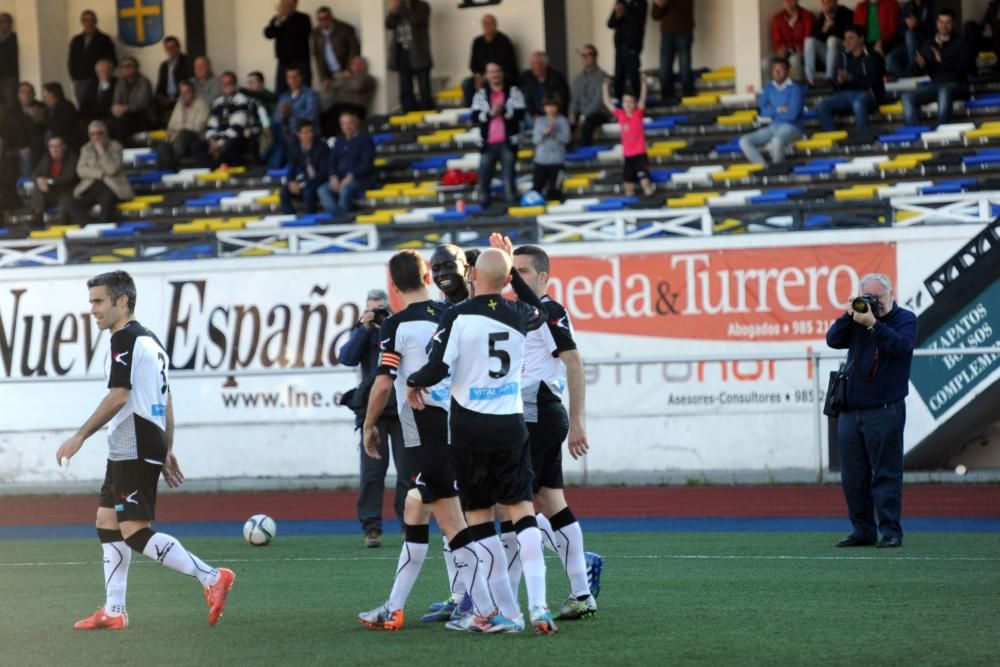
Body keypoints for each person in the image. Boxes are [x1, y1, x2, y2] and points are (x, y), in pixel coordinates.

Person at [55, 270, 235, 630]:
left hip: (133, 441)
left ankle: (212, 576)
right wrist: (167, 448)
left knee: (135, 530)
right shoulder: (149, 340)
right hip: (139, 440)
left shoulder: (124, 338)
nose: (92, 309)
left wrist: (80, 436)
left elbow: (120, 395)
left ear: (122, 301)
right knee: (107, 522)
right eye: (91, 301)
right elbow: (165, 398)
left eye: (99, 301)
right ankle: (114, 610)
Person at [357, 250, 520, 633]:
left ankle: (486, 610)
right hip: (457, 421)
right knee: (416, 510)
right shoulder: (452, 314)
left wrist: (368, 425)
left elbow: (384, 382)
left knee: (453, 523)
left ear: (392, 285)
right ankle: (394, 606)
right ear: (428, 274)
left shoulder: (396, 324)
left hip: (420, 427)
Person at [405, 239, 558, 635]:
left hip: (470, 430)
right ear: (508, 279)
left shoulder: (457, 315)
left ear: (472, 276)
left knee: (479, 523)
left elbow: (436, 368)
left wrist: (412, 382)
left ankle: (505, 614)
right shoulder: (522, 311)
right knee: (523, 513)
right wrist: (514, 282)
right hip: (511, 425)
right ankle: (540, 605)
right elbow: (541, 310)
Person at [509, 244, 599, 620]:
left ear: (543, 277)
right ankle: (581, 588)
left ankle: (504, 603)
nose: (514, 278)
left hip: (536, 414)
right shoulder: (521, 314)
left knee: (512, 504)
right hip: (534, 413)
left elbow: (574, 362)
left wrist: (578, 420)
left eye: (523, 272)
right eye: (511, 272)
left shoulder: (549, 311)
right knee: (550, 502)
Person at [825, 273, 916, 549]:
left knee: (887, 474)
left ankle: (891, 531)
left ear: (890, 295)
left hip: (885, 410)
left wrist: (874, 324)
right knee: (853, 477)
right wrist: (849, 313)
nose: (873, 301)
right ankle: (862, 530)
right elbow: (832, 339)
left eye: (878, 297)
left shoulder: (905, 319)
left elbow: (901, 347)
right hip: (851, 413)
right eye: (869, 296)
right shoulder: (857, 319)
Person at [339, 288, 406, 549]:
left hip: (403, 410)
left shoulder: (400, 327)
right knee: (372, 474)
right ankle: (372, 530)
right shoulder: (363, 332)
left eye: (381, 309)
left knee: (408, 472)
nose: (377, 314)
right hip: (373, 411)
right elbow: (345, 358)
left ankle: (408, 525)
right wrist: (364, 328)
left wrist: (390, 322)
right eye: (372, 309)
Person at [472, 62, 526, 208]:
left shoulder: (514, 91)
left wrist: (503, 112)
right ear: (487, 75)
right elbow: (474, 117)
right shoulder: (481, 94)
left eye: (497, 71)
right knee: (484, 176)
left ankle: (511, 205)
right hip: (487, 142)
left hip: (508, 141)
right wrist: (491, 114)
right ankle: (484, 205)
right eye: (491, 72)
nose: (495, 74)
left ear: (502, 73)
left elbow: (521, 114)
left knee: (509, 177)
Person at [902, 9, 969, 127]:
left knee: (944, 90)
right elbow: (916, 71)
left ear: (953, 24)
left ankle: (941, 128)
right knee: (907, 97)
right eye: (941, 22)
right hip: (936, 85)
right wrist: (920, 66)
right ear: (937, 23)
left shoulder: (961, 42)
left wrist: (942, 60)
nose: (944, 25)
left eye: (947, 22)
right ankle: (914, 131)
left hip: (957, 85)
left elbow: (963, 69)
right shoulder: (929, 43)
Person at [815, 25, 885, 132]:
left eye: (851, 38)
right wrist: (839, 80)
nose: (846, 42)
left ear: (861, 39)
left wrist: (851, 78)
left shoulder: (873, 56)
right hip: (847, 94)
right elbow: (835, 82)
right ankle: (835, 139)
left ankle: (864, 137)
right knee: (821, 106)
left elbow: (873, 81)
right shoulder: (842, 56)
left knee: (858, 104)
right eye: (845, 38)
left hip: (869, 93)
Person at [739, 57, 805, 166]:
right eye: (775, 69)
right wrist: (779, 109)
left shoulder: (795, 88)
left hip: (793, 127)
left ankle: (777, 170)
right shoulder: (769, 87)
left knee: (776, 141)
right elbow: (762, 111)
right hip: (773, 127)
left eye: (781, 69)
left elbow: (793, 115)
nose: (777, 72)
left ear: (788, 71)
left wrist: (771, 111)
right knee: (744, 141)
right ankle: (765, 168)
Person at [64, 120, 133, 224]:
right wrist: (100, 174)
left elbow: (111, 169)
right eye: (92, 134)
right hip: (91, 186)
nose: (96, 136)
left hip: (111, 186)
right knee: (70, 203)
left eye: (99, 133)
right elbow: (80, 170)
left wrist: (102, 152)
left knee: (107, 201)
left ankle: (104, 226)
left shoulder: (116, 146)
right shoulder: (85, 148)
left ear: (105, 133)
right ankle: (89, 225)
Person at [602, 75, 655, 196]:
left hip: (640, 154)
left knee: (645, 182)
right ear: (622, 102)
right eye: (625, 101)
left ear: (635, 103)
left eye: (631, 101)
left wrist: (644, 84)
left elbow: (643, 98)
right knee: (627, 186)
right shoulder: (621, 115)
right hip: (628, 156)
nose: (628, 104)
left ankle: (651, 198)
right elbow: (607, 102)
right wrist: (605, 86)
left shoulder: (638, 113)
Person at [324, 111, 374, 216]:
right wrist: (333, 176)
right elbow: (331, 161)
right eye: (343, 123)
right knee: (322, 189)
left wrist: (351, 176)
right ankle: (338, 218)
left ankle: (344, 220)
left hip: (360, 179)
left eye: (349, 122)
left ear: (356, 123)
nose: (347, 126)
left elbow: (367, 164)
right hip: (340, 178)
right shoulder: (339, 140)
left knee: (345, 190)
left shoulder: (365, 140)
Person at [385, 0, 433, 112]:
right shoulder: (398, 8)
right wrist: (393, 11)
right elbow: (388, 24)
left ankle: (427, 111)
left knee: (424, 87)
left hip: (418, 51)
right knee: (405, 86)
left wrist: (400, 8)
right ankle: (408, 112)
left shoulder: (422, 6)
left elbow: (416, 19)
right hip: (402, 50)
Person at [462, 14, 518, 107]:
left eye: (490, 23)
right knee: (467, 84)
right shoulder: (477, 41)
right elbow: (473, 64)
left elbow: (505, 64)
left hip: (500, 74)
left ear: (495, 25)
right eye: (485, 23)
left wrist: (486, 77)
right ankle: (472, 111)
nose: (487, 26)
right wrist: (478, 77)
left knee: (492, 83)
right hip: (482, 76)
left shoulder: (504, 40)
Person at [271, 65, 320, 168]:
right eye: (289, 77)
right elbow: (276, 119)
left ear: (301, 77)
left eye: (295, 76)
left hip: (305, 133)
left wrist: (292, 111)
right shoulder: (284, 96)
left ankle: (278, 168)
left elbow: (311, 116)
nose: (292, 80)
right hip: (285, 133)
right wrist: (282, 114)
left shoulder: (310, 94)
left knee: (288, 141)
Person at [68, 10, 117, 106]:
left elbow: (112, 60)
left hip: (98, 80)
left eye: (91, 20)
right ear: (81, 22)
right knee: (83, 108)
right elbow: (72, 60)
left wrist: (105, 77)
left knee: (100, 106)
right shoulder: (76, 40)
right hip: (80, 81)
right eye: (85, 20)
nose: (88, 23)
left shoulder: (104, 39)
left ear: (96, 21)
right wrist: (74, 78)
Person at [264, 0, 313, 96]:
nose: (287, 6)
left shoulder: (304, 18)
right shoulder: (278, 19)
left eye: (290, 4)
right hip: (283, 62)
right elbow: (268, 34)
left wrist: (284, 19)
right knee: (282, 92)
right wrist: (280, 19)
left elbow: (300, 33)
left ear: (296, 4)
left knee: (303, 92)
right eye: (285, 4)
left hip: (300, 62)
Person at [281, 121, 329, 214]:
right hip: (306, 181)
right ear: (299, 134)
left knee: (308, 191)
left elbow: (323, 172)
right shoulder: (295, 148)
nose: (309, 135)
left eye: (311, 131)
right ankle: (290, 217)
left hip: (320, 181)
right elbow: (291, 167)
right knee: (284, 191)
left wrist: (303, 184)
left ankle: (309, 217)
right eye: (306, 132)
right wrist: (291, 181)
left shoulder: (322, 147)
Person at [320, 55, 377, 135]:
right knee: (324, 115)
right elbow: (330, 86)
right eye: (354, 64)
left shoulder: (368, 78)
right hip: (338, 106)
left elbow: (357, 86)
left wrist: (341, 81)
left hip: (356, 107)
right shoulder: (346, 78)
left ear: (365, 66)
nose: (356, 66)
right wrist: (343, 81)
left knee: (336, 114)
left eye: (359, 64)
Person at [160, 79, 210, 169]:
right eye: (182, 93)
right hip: (176, 141)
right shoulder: (179, 104)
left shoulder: (202, 105)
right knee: (164, 147)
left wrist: (178, 130)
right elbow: (170, 126)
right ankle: (164, 175)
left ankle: (175, 162)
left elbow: (197, 127)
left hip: (195, 139)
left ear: (193, 93)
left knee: (184, 133)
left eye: (186, 92)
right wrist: (175, 131)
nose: (183, 95)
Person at [206, 71, 252, 167]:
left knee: (230, 144)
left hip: (236, 138)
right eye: (223, 83)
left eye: (229, 83)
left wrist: (219, 143)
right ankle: (206, 174)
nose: (225, 86)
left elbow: (237, 127)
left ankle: (221, 172)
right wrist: (211, 140)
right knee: (198, 145)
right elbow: (211, 125)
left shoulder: (241, 100)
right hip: (219, 138)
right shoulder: (217, 102)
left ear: (235, 85)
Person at [652, 0, 695, 104]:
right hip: (666, 33)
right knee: (665, 67)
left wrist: (666, 2)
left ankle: (688, 95)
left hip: (684, 32)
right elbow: (655, 15)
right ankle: (667, 97)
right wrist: (659, 5)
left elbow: (686, 8)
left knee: (684, 66)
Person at [804, 0, 856, 84]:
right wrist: (824, 29)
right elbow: (815, 36)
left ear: (836, 2)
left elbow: (848, 36)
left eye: (830, 2)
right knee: (809, 41)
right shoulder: (823, 15)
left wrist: (833, 25)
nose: (827, 5)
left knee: (832, 40)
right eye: (825, 3)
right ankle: (810, 78)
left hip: (844, 54)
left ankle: (829, 78)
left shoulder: (846, 13)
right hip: (829, 55)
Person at [30, 136, 78, 224]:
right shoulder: (47, 158)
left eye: (57, 146)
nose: (54, 149)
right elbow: (34, 174)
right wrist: (39, 180)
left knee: (66, 199)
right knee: (37, 190)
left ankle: (62, 225)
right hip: (51, 193)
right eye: (51, 147)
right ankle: (37, 218)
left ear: (63, 147)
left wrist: (47, 181)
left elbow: (69, 178)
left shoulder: (72, 158)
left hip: (66, 193)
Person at [2, 82, 46, 178]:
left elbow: (43, 132)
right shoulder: (12, 110)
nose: (26, 95)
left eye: (29, 92)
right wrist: (16, 150)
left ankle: (27, 189)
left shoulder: (40, 107)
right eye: (23, 92)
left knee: (26, 157)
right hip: (16, 148)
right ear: (18, 95)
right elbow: (7, 133)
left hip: (34, 148)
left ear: (33, 94)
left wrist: (38, 119)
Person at [569, 44, 610, 147]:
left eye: (589, 54)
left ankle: (585, 155)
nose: (585, 57)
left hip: (599, 113)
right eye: (583, 55)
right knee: (564, 125)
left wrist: (583, 116)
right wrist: (572, 113)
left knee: (587, 124)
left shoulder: (603, 76)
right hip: (582, 113)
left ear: (595, 56)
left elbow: (599, 101)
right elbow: (575, 99)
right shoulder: (578, 79)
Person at [607, 0, 647, 103]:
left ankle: (637, 103)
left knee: (634, 77)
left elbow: (639, 21)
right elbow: (610, 24)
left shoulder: (641, 3)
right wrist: (617, 13)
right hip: (620, 47)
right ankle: (619, 103)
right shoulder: (620, 2)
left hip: (632, 48)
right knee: (618, 77)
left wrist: (624, 11)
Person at [531, 95, 570, 201]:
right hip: (541, 161)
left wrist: (555, 133)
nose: (551, 109)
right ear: (544, 108)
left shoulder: (562, 120)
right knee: (536, 189)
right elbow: (535, 140)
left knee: (556, 190)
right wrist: (545, 132)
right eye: (548, 106)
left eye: (553, 106)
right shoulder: (540, 121)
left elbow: (566, 139)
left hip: (557, 161)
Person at [764, 0, 814, 82]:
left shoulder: (807, 16)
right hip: (785, 53)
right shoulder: (778, 18)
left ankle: (797, 90)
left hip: (801, 52)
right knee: (766, 62)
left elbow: (808, 40)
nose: (788, 2)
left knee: (794, 59)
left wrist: (794, 48)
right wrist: (780, 49)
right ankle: (771, 91)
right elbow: (777, 40)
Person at [108, 57, 155, 143]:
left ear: (136, 68)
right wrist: (116, 109)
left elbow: (142, 103)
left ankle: (122, 150)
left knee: (122, 124)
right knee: (110, 123)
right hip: (124, 116)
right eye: (123, 66)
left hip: (143, 116)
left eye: (129, 66)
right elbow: (116, 100)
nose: (125, 69)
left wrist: (125, 108)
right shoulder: (120, 82)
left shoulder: (144, 82)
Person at [311, 6, 361, 86]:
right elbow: (318, 57)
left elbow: (354, 49)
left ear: (331, 17)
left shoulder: (346, 29)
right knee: (328, 97)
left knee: (346, 96)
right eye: (320, 19)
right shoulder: (316, 33)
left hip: (346, 71)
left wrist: (349, 69)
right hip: (330, 74)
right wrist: (323, 78)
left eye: (326, 18)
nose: (323, 21)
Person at [887, 0, 936, 78]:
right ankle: (908, 78)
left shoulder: (931, 4)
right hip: (909, 44)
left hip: (926, 42)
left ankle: (913, 69)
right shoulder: (907, 6)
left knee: (910, 34)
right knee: (890, 58)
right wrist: (909, 26)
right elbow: (901, 31)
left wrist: (918, 24)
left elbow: (935, 30)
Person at [520, 51, 570, 119]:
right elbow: (526, 99)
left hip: (553, 114)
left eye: (536, 63)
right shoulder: (526, 77)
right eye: (531, 64)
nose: (533, 67)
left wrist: (550, 115)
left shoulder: (557, 78)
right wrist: (534, 114)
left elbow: (562, 100)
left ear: (545, 64)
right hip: (533, 114)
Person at [42, 82, 83, 151]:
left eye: (45, 93)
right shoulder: (47, 109)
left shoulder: (67, 106)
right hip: (50, 143)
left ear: (52, 94)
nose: (43, 96)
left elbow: (63, 128)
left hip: (67, 142)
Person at [154, 36, 192, 108]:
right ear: (165, 50)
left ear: (178, 47)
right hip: (166, 97)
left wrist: (175, 98)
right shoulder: (164, 65)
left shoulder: (187, 62)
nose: (171, 50)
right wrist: (159, 96)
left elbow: (189, 82)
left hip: (180, 97)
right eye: (168, 48)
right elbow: (160, 84)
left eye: (173, 46)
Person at [80, 59, 117, 124]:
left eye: (106, 70)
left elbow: (111, 102)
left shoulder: (117, 83)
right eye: (101, 71)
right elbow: (84, 102)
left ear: (111, 71)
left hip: (108, 117)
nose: (104, 73)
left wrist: (106, 84)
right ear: (97, 72)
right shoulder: (92, 83)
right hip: (91, 117)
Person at [0, 12, 18, 111]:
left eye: (3, 22)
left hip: (9, 77)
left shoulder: (14, 38)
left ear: (10, 24)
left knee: (9, 104)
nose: (0, 24)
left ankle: (9, 126)